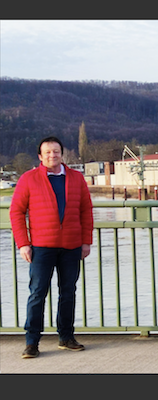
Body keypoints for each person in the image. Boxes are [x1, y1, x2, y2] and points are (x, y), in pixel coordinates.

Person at [10, 136, 94, 359]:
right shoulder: (28, 179)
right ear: (40, 156)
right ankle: (32, 342)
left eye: (56, 151)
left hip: (71, 245)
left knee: (68, 293)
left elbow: (86, 211)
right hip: (40, 247)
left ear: (62, 153)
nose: (52, 155)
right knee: (37, 293)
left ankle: (66, 337)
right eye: (47, 152)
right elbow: (16, 212)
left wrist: (86, 241)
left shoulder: (76, 178)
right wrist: (23, 244)